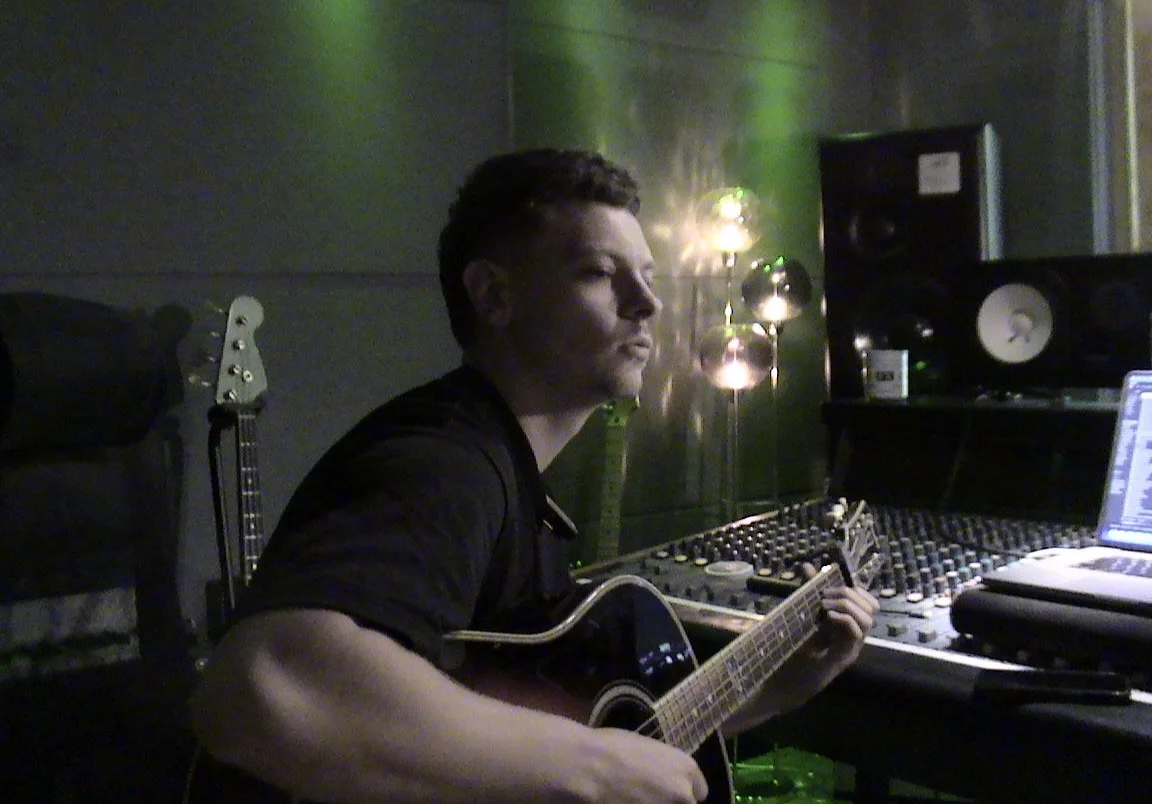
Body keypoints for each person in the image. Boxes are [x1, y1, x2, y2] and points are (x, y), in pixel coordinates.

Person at [189, 148, 878, 804]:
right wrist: (595, 769)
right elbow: (266, 686)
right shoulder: (440, 463)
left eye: (648, 275)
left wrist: (771, 690)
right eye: (600, 273)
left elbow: (532, 745)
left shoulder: (512, 477)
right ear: (494, 295)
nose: (647, 303)